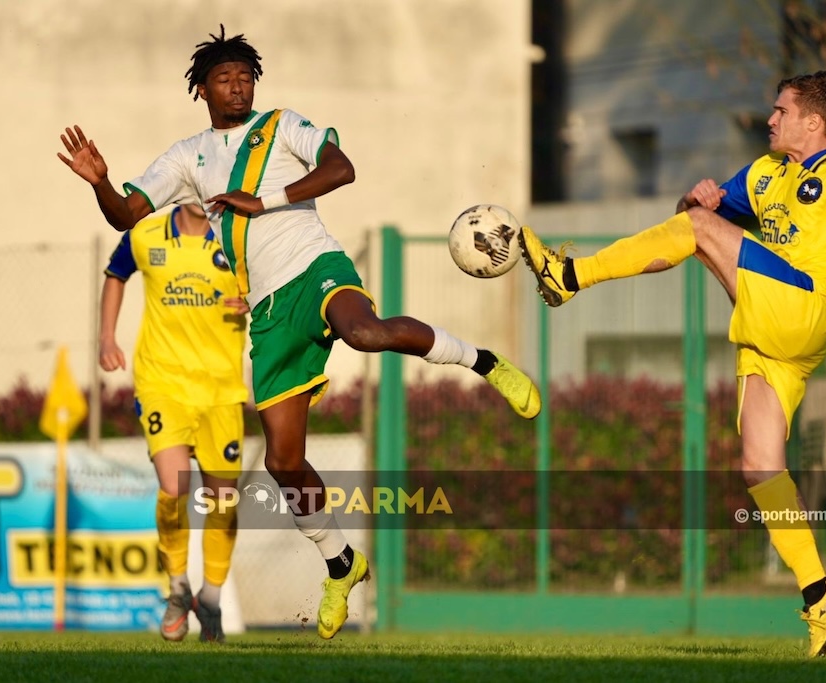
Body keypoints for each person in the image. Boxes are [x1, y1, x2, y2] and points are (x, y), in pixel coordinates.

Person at [59, 25, 541, 640]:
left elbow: (342, 169)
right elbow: (127, 214)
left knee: (363, 333)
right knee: (286, 463)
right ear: (201, 90)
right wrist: (100, 180)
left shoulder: (284, 125)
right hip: (266, 309)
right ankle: (342, 566)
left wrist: (268, 199)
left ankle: (484, 362)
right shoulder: (187, 157)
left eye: (245, 76)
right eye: (224, 78)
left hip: (316, 266)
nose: (237, 86)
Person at [519, 70, 826, 658]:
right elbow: (686, 224)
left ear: (814, 123)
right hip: (772, 333)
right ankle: (820, 593)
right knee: (761, 465)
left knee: (699, 232)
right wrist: (697, 200)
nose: (770, 119)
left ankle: (569, 275)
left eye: (781, 111)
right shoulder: (764, 174)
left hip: (809, 305)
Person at [100, 202, 248, 643]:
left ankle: (213, 599)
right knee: (173, 487)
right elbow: (115, 275)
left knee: (223, 502)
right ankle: (178, 587)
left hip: (222, 390)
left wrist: (253, 302)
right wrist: (106, 337)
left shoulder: (238, 238)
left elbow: (271, 290)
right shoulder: (145, 235)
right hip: (162, 382)